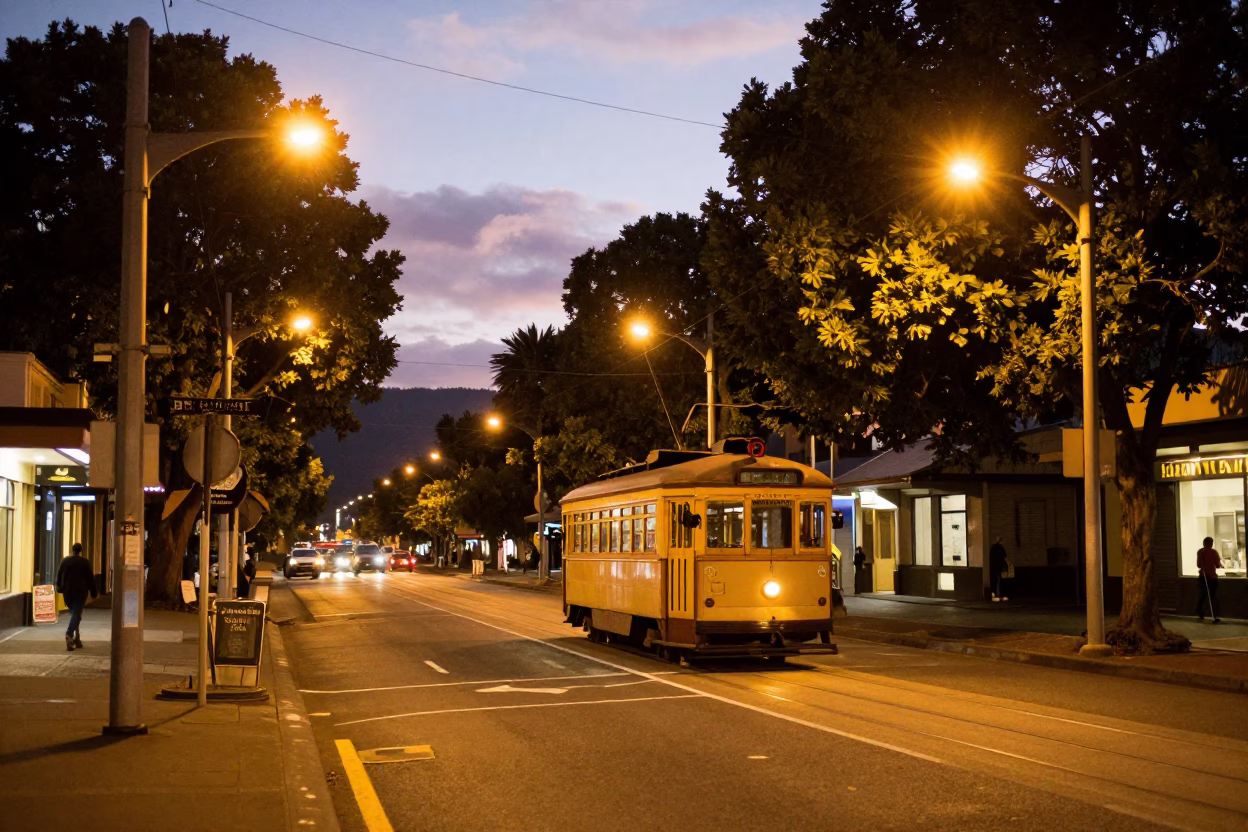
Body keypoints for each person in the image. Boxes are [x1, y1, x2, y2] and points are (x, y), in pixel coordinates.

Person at [56, 542, 97, 651]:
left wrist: (59, 587)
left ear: (72, 549)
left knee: (75, 614)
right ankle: (70, 635)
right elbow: (90, 578)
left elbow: (59, 575)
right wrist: (93, 592)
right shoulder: (85, 562)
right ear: (81, 550)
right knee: (76, 614)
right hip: (80, 592)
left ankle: (77, 639)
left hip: (68, 592)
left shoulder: (65, 561)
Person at [1196, 536, 1222, 623]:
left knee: (1203, 595)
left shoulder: (1200, 552)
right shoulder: (1213, 552)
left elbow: (1199, 565)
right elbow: (1218, 565)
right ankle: (1213, 615)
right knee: (1212, 596)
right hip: (1211, 576)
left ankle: (1201, 611)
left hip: (1203, 576)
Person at [989, 537, 1009, 602]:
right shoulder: (1000, 548)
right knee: (998, 581)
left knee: (995, 580)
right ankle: (998, 594)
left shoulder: (993, 548)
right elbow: (1004, 557)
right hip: (998, 567)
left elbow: (991, 557)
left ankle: (994, 594)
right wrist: (1007, 563)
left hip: (993, 567)